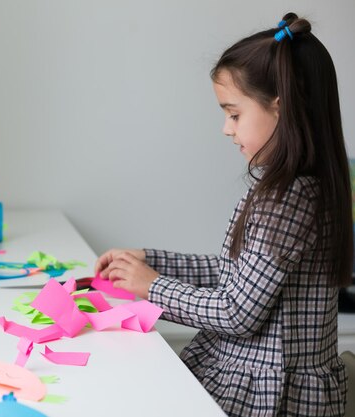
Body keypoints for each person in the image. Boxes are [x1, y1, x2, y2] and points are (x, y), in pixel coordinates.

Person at [94, 12, 352, 417]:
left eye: (234, 114)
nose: (226, 129)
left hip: (267, 391)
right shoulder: (288, 186)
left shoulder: (288, 196)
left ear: (280, 110)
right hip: (253, 373)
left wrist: (153, 287)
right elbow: (238, 273)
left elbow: (237, 312)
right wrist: (150, 262)